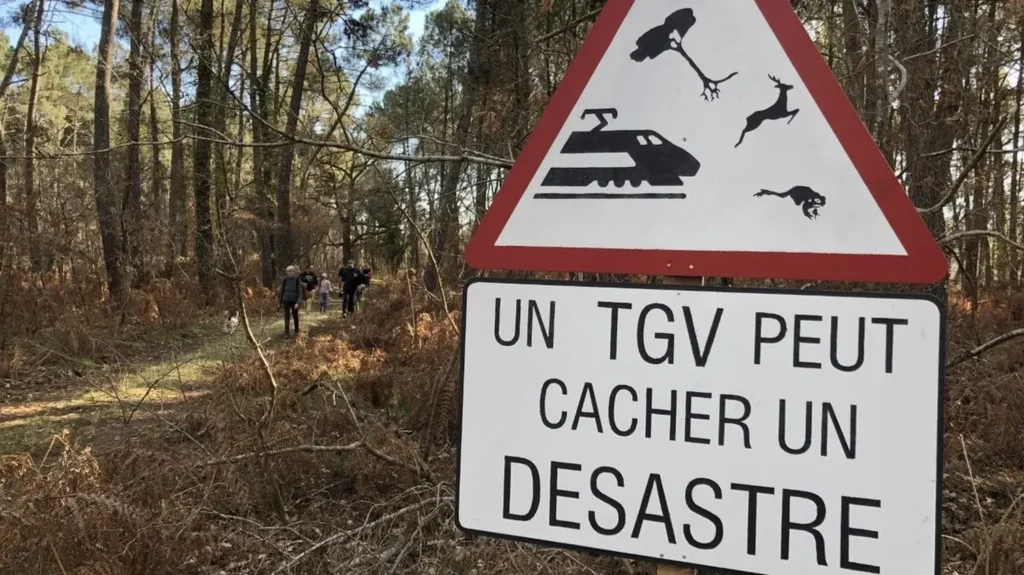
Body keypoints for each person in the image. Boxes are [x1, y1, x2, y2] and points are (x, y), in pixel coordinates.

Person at [279, 265, 304, 337]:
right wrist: (280, 302)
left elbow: (300, 292)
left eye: (291, 271)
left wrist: (298, 303)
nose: (290, 272)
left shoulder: (297, 280)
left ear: (294, 272)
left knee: (295, 316)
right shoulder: (285, 280)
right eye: (288, 271)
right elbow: (282, 291)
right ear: (286, 272)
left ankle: (296, 331)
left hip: (294, 301)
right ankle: (286, 332)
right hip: (285, 300)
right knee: (287, 316)